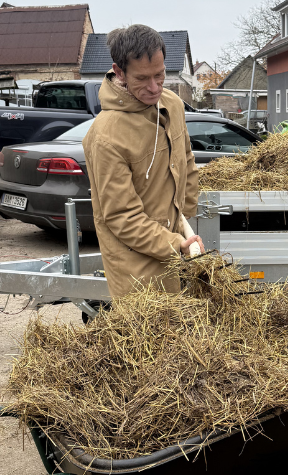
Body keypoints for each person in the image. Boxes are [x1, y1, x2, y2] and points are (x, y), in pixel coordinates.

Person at [83, 24, 204, 298]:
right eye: (142, 78)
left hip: (177, 247)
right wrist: (177, 244)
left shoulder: (171, 104)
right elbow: (122, 217)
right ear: (119, 72)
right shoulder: (105, 136)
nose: (154, 88)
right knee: (152, 336)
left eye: (159, 75)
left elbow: (185, 157)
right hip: (135, 266)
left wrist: (187, 218)